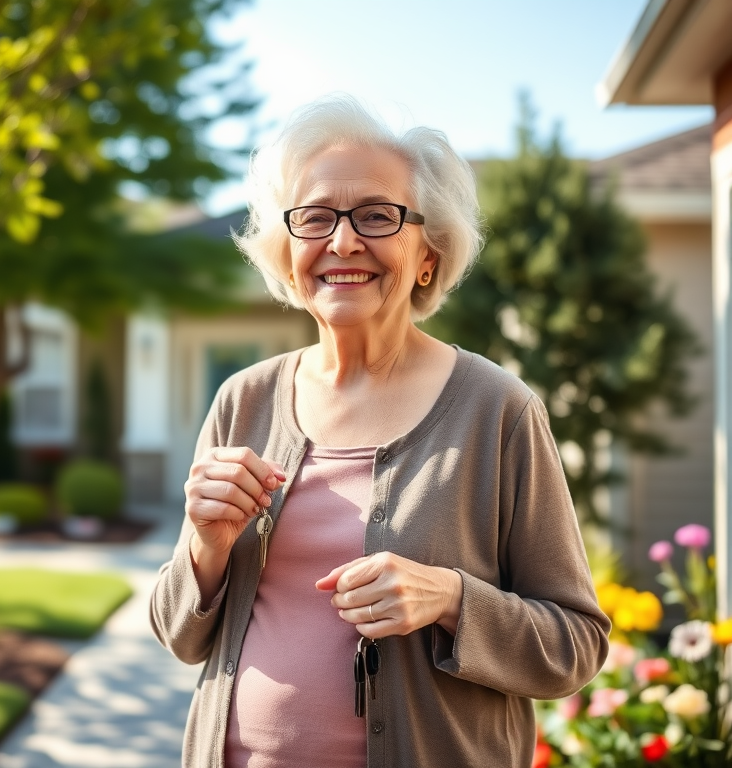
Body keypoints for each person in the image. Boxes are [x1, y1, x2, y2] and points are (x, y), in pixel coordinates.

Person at [150, 95, 609, 768]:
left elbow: (576, 645)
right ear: (288, 253)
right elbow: (179, 635)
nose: (342, 241)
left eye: (376, 215)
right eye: (314, 219)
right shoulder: (242, 400)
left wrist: (450, 598)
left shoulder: (497, 411)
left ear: (428, 254)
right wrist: (207, 551)